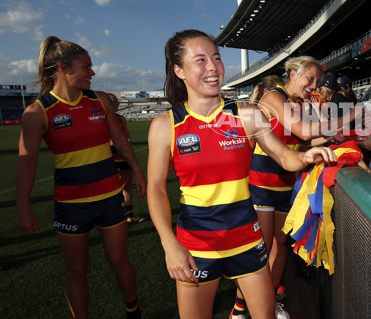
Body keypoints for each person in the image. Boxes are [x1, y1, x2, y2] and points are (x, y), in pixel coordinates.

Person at [146, 30, 336, 319]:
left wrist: (304, 156)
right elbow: (156, 189)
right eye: (200, 60)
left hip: (247, 240)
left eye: (216, 58)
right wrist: (169, 243)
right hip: (197, 245)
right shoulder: (165, 126)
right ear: (179, 70)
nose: (212, 67)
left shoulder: (247, 115)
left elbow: (284, 156)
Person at [16, 36, 146, 319]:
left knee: (119, 261)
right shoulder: (38, 112)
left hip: (110, 199)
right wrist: (23, 207)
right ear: (63, 67)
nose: (92, 72)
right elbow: (26, 163)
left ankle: (133, 310)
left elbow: (121, 143)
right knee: (76, 271)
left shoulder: (99, 100)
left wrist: (137, 171)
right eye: (86, 67)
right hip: (71, 206)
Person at [242, 56, 354, 319]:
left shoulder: (298, 103)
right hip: (261, 182)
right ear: (292, 73)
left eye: (317, 81)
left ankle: (267, 304)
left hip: (285, 183)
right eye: (310, 79)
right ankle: (240, 308)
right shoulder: (273, 97)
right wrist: (347, 118)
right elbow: (303, 131)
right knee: (261, 249)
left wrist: (331, 136)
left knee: (281, 245)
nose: (314, 85)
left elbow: (306, 140)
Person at [107, 93, 145, 223]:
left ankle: (129, 215)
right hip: (109, 158)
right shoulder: (101, 119)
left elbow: (127, 136)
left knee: (127, 186)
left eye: (117, 101)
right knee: (110, 190)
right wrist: (118, 142)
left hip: (124, 157)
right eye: (113, 101)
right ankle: (111, 216)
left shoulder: (121, 118)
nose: (116, 104)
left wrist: (126, 140)